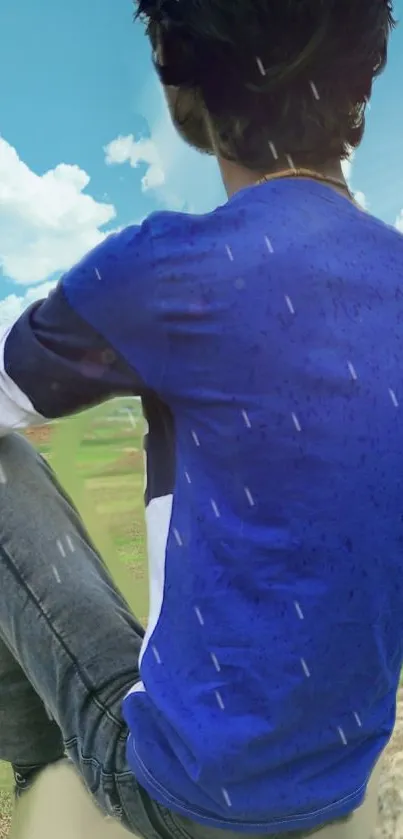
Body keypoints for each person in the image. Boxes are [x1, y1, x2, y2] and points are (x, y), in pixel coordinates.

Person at [0, 0, 400, 837]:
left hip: (184, 793)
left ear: (182, 89)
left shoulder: (163, 266)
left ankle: (46, 772)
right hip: (338, 770)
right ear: (361, 88)